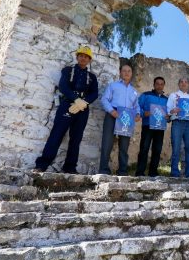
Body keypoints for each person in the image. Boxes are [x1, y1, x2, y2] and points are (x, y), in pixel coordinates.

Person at [34, 46, 98, 174]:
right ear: (77, 57)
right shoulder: (68, 70)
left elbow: (94, 93)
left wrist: (84, 102)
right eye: (81, 55)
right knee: (57, 134)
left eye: (86, 56)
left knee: (76, 138)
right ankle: (42, 165)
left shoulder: (91, 77)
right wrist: (75, 99)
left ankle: (70, 167)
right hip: (67, 104)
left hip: (83, 109)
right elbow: (63, 86)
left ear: (89, 60)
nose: (83, 58)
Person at [99, 64, 141, 175]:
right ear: (120, 72)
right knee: (107, 143)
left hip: (126, 119)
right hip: (112, 115)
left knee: (124, 145)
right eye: (124, 71)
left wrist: (137, 114)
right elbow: (104, 99)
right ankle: (103, 170)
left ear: (131, 73)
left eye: (129, 71)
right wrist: (111, 110)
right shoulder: (113, 86)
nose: (127, 73)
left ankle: (122, 171)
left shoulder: (134, 91)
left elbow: (137, 106)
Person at [135, 77, 168, 177]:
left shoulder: (166, 99)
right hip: (147, 126)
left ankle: (153, 173)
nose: (159, 86)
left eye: (161, 84)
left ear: (163, 86)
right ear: (154, 85)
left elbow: (168, 114)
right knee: (144, 148)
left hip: (160, 127)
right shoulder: (145, 95)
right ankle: (140, 172)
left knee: (157, 150)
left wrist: (168, 117)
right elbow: (137, 107)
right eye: (157, 84)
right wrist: (144, 113)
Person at [166, 78, 189, 177]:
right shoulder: (173, 95)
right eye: (181, 82)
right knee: (176, 148)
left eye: (186, 81)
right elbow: (168, 110)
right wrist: (172, 111)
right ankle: (174, 173)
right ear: (178, 84)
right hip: (177, 123)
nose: (184, 83)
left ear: (188, 85)